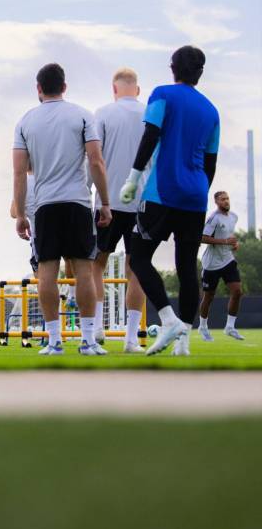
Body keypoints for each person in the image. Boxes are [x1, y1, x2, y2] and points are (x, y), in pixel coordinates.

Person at [121, 46, 220, 356]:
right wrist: (201, 193)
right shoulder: (211, 111)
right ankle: (184, 342)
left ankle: (168, 319)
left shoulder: (162, 93)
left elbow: (151, 135)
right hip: (196, 195)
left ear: (172, 68)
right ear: (200, 73)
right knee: (186, 268)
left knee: (137, 256)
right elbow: (210, 162)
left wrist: (133, 178)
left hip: (163, 192)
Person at [13, 63, 112, 356]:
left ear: (38, 89)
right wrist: (105, 203)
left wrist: (20, 214)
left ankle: (55, 341)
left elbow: (19, 174)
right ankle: (88, 341)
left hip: (45, 206)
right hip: (78, 204)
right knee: (84, 271)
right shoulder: (82, 115)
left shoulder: (25, 121)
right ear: (64, 87)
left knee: (47, 272)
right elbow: (96, 161)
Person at [91, 68, 147, 353]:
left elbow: (94, 158)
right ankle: (130, 339)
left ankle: (97, 327)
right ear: (137, 89)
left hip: (107, 201)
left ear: (114, 89)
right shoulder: (150, 113)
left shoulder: (101, 113)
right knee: (136, 270)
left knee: (95, 265)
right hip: (142, 204)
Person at [198, 191, 244, 341]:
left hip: (227, 260)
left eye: (227, 199)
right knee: (209, 297)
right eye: (223, 199)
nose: (226, 201)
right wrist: (224, 242)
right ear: (216, 202)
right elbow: (203, 238)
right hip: (211, 264)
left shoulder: (234, 216)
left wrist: (234, 244)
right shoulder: (213, 218)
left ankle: (230, 327)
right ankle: (203, 326)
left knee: (237, 292)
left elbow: (229, 236)